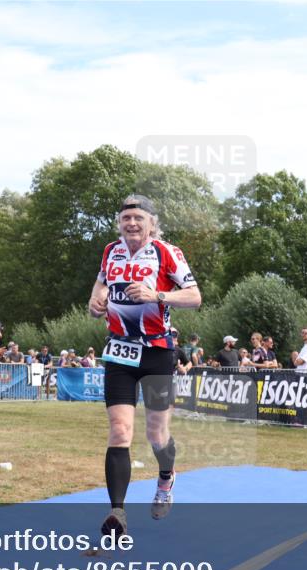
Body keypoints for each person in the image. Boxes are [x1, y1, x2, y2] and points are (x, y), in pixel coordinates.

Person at [87, 194, 201, 536]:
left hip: (156, 352)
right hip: (119, 352)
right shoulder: (111, 251)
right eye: (126, 218)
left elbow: (195, 297)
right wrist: (96, 301)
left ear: (152, 223)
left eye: (138, 218)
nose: (131, 224)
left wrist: (158, 296)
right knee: (120, 430)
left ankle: (166, 477)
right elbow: (100, 285)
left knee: (156, 433)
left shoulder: (168, 252)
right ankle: (117, 513)